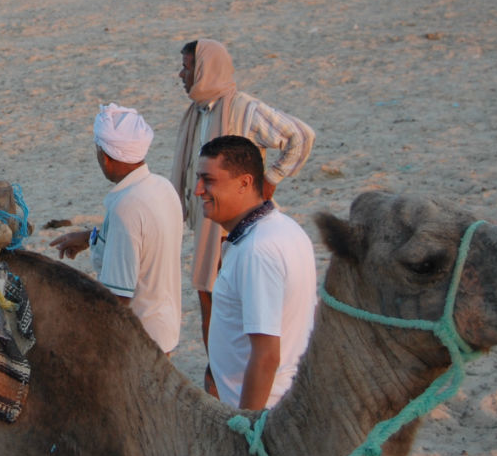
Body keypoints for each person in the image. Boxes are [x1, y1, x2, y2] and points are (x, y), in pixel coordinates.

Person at [170, 39, 314, 356]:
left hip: (236, 227)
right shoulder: (197, 112)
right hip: (208, 224)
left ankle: (227, 375)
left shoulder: (244, 109)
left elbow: (300, 136)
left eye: (187, 67)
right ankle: (217, 375)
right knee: (208, 298)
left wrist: (271, 179)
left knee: (228, 303)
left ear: (205, 69)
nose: (181, 75)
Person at [50, 103, 184, 353]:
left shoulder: (127, 208)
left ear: (106, 156)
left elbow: (119, 297)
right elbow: (144, 245)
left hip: (140, 342)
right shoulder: (162, 187)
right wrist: (89, 238)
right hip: (165, 330)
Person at [197, 135, 315, 409]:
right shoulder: (285, 226)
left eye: (208, 180)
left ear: (245, 183)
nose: (198, 190)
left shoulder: (257, 251)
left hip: (267, 412)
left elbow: (266, 356)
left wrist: (247, 428)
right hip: (286, 401)